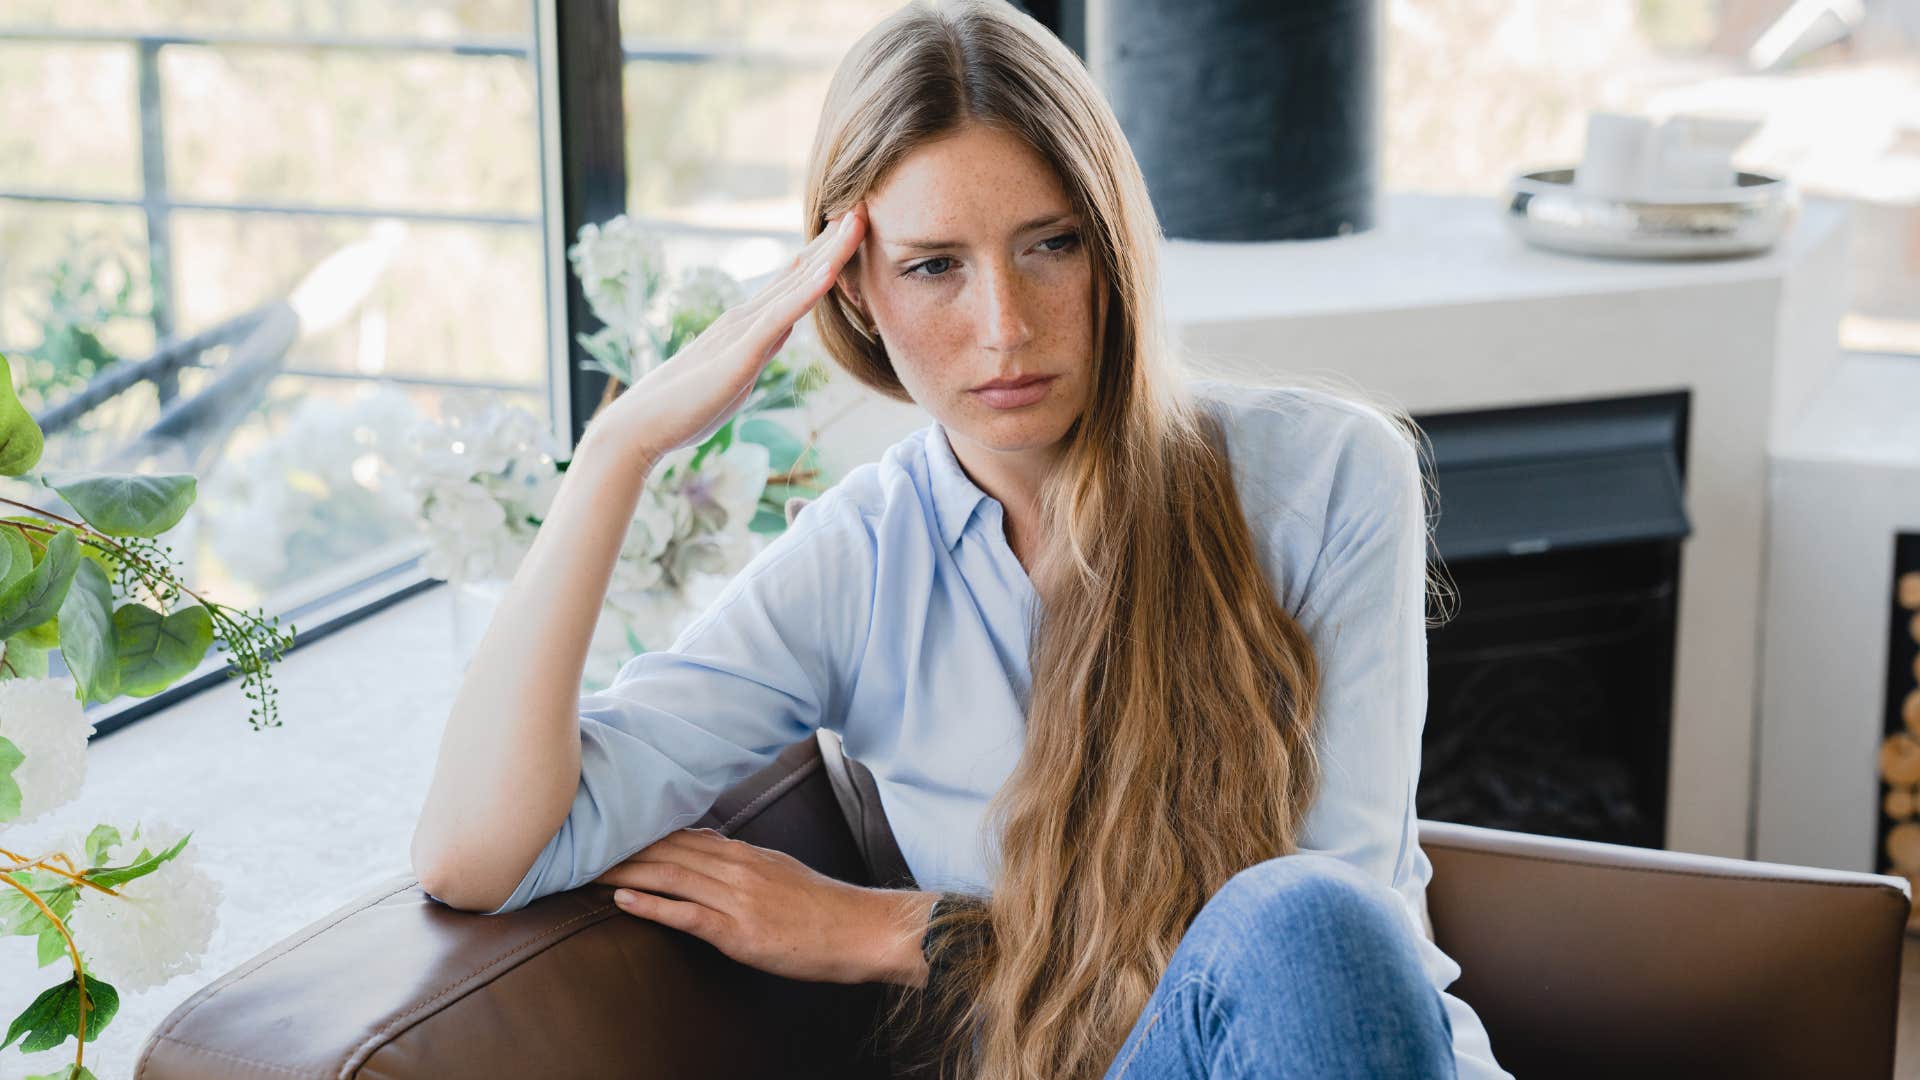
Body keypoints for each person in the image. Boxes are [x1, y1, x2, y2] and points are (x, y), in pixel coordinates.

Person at [410, 2, 1512, 1078]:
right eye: (935, 265)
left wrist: (905, 933)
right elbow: (477, 856)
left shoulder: (1329, 477)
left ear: (1118, 250)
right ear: (851, 291)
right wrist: (619, 450)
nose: (1006, 327)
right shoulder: (862, 563)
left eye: (1052, 244)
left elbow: (1324, 963)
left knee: (1306, 916)